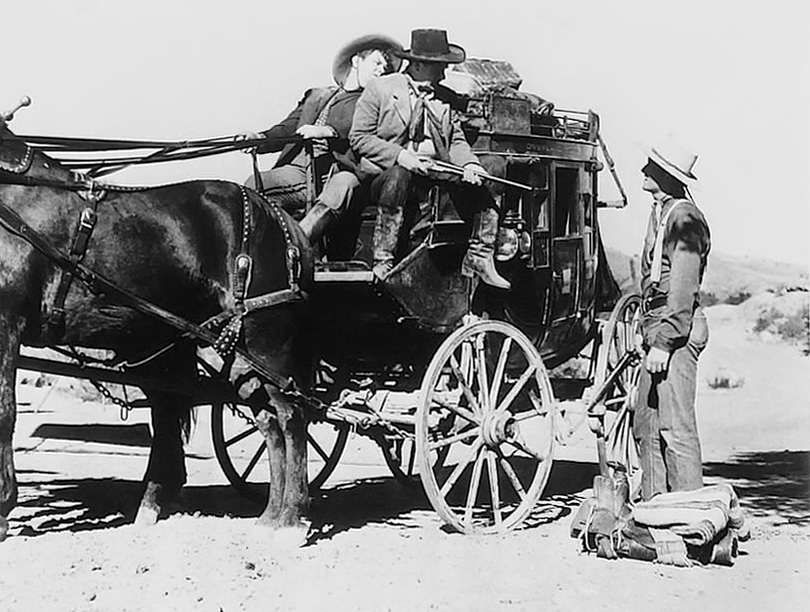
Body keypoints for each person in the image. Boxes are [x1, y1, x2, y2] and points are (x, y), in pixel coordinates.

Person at [349, 28, 510, 289]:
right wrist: (402, 156)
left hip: (436, 174)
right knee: (399, 175)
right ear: (420, 65)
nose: (444, 74)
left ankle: (480, 256)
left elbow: (456, 141)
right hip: (387, 176)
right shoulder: (381, 88)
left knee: (493, 166)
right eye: (439, 67)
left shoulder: (445, 99)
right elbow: (360, 138)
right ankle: (383, 259)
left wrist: (469, 165)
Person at [243, 34, 402, 244]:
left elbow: (363, 132)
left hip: (343, 169)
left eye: (385, 68)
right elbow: (288, 127)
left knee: (343, 186)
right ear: (356, 61)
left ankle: (299, 246)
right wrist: (259, 138)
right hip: (301, 170)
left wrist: (328, 131)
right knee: (255, 184)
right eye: (377, 62)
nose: (381, 70)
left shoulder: (375, 102)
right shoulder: (318, 96)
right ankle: (261, 248)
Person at [634, 140, 711, 501]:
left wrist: (665, 341)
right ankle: (655, 512)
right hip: (659, 325)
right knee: (646, 425)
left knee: (675, 428)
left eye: (650, 166)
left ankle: (689, 520)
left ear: (665, 175)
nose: (643, 171)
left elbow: (682, 287)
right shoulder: (664, 212)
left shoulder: (684, 219)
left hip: (675, 328)